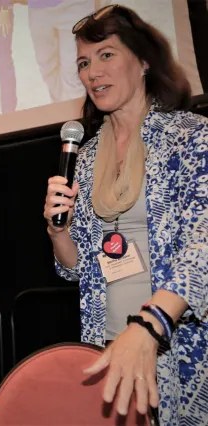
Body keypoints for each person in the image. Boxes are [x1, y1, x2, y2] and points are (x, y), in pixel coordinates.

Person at [43, 5, 207, 425]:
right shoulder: (86, 154)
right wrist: (58, 233)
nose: (93, 72)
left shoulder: (189, 136)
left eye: (106, 55)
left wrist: (150, 326)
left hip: (173, 340)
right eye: (84, 62)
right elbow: (77, 268)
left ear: (144, 61)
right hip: (108, 343)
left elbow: (203, 245)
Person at [19, 0, 94, 102]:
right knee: (46, 65)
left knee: (74, 68)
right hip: (38, 8)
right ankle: (60, 108)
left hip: (76, 5)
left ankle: (78, 113)